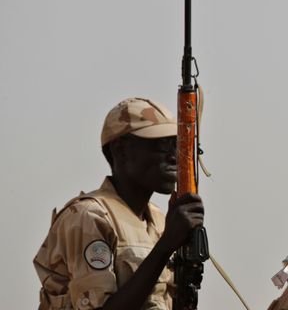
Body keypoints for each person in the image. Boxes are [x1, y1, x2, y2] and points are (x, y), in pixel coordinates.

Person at [34, 97, 205, 310]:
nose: (174, 157)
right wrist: (166, 246)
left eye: (176, 145)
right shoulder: (89, 216)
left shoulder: (160, 221)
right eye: (161, 145)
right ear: (121, 150)